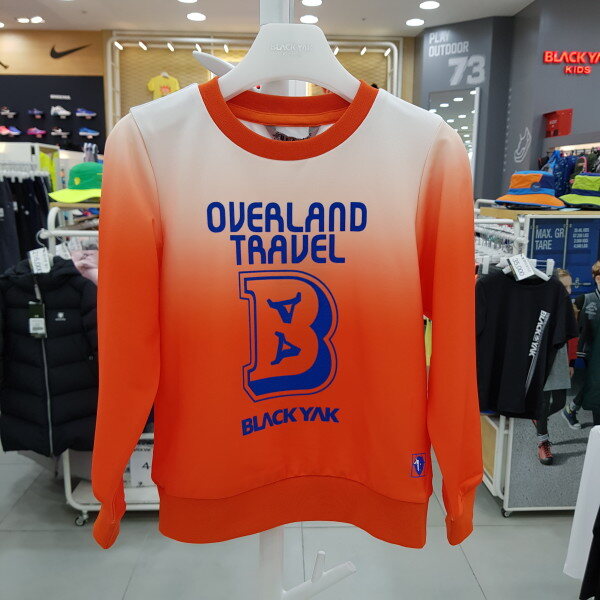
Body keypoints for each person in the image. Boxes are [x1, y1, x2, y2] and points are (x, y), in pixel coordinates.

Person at [533, 268, 576, 465]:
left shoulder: (570, 307)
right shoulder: (542, 305)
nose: (569, 290)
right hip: (544, 358)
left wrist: (571, 362)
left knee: (559, 402)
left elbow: (573, 338)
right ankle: (543, 442)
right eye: (565, 286)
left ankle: (538, 418)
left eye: (570, 286)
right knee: (543, 402)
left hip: (561, 358)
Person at [563, 261, 600, 428]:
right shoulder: (584, 300)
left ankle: (571, 409)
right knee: (595, 385)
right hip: (587, 351)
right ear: (597, 279)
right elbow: (570, 327)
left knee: (594, 384)